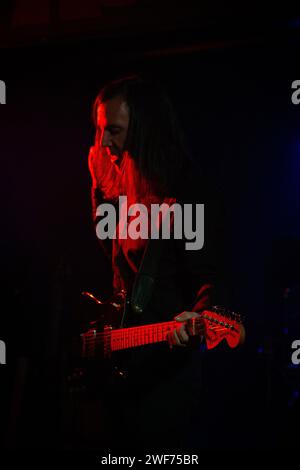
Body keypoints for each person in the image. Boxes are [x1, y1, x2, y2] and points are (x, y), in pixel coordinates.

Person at [87, 75, 225, 451]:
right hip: (122, 377)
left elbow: (210, 279)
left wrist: (199, 315)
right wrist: (99, 190)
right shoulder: (122, 188)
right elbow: (115, 264)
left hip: (166, 385)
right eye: (100, 131)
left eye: (113, 130)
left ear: (144, 127)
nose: (104, 143)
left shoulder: (186, 193)